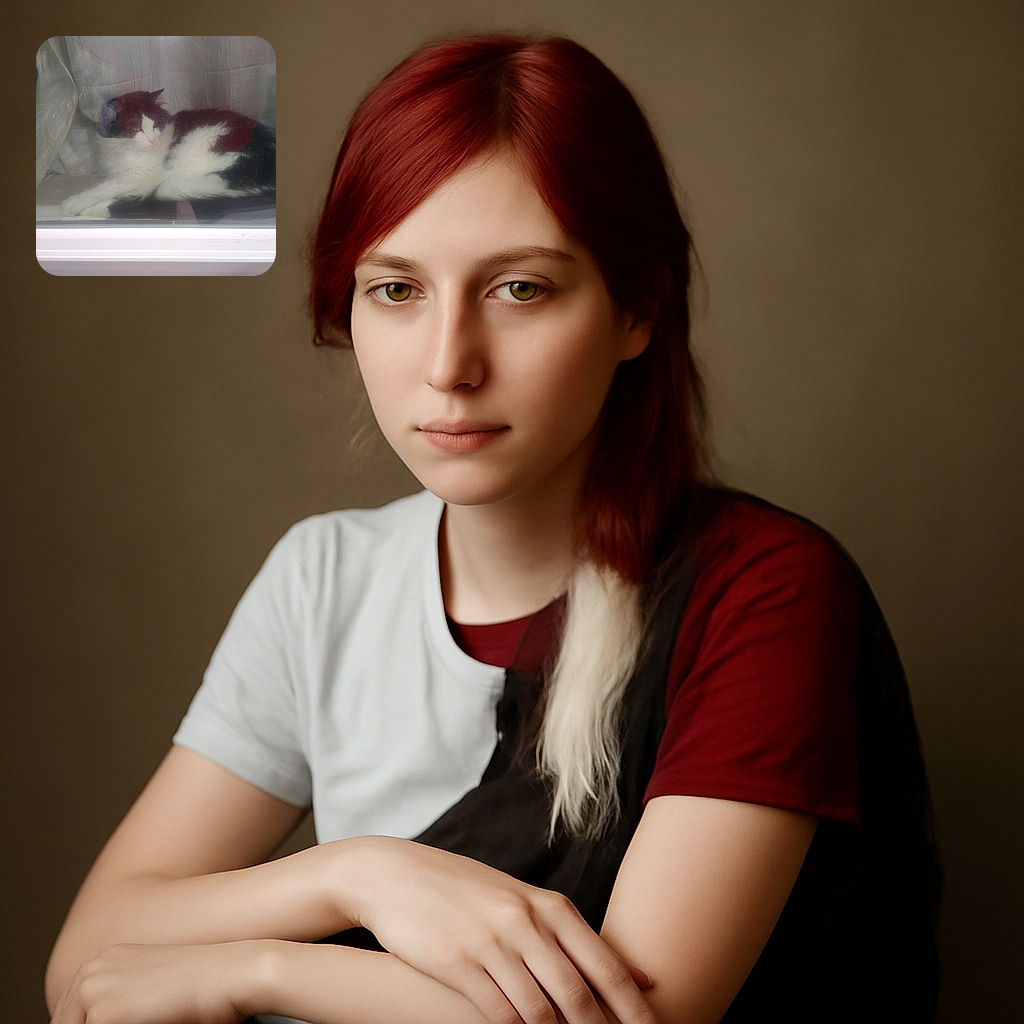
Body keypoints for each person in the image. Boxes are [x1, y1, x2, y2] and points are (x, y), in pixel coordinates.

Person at [45, 34, 941, 1024]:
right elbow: (84, 960)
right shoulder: (322, 577)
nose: (447, 364)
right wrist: (360, 877)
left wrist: (255, 969)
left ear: (638, 306)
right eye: (396, 289)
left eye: (520, 288)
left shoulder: (764, 589)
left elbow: (630, 1018)